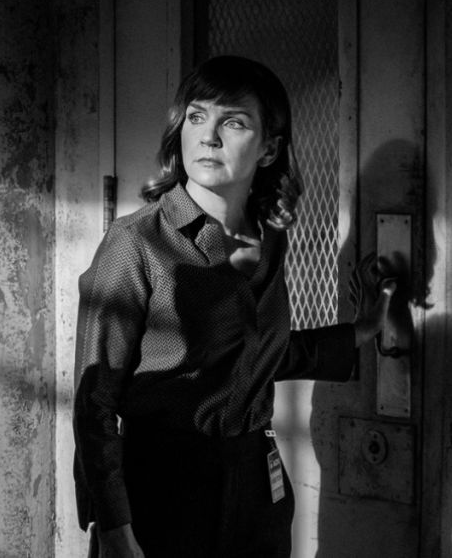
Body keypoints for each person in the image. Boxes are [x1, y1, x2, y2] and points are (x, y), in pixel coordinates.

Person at [71, 55, 396, 557]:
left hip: (257, 487)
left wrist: (361, 329)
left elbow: (255, 357)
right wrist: (113, 527)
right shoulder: (136, 242)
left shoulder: (270, 240)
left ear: (269, 149)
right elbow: (94, 404)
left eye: (234, 122)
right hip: (162, 489)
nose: (208, 136)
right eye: (197, 117)